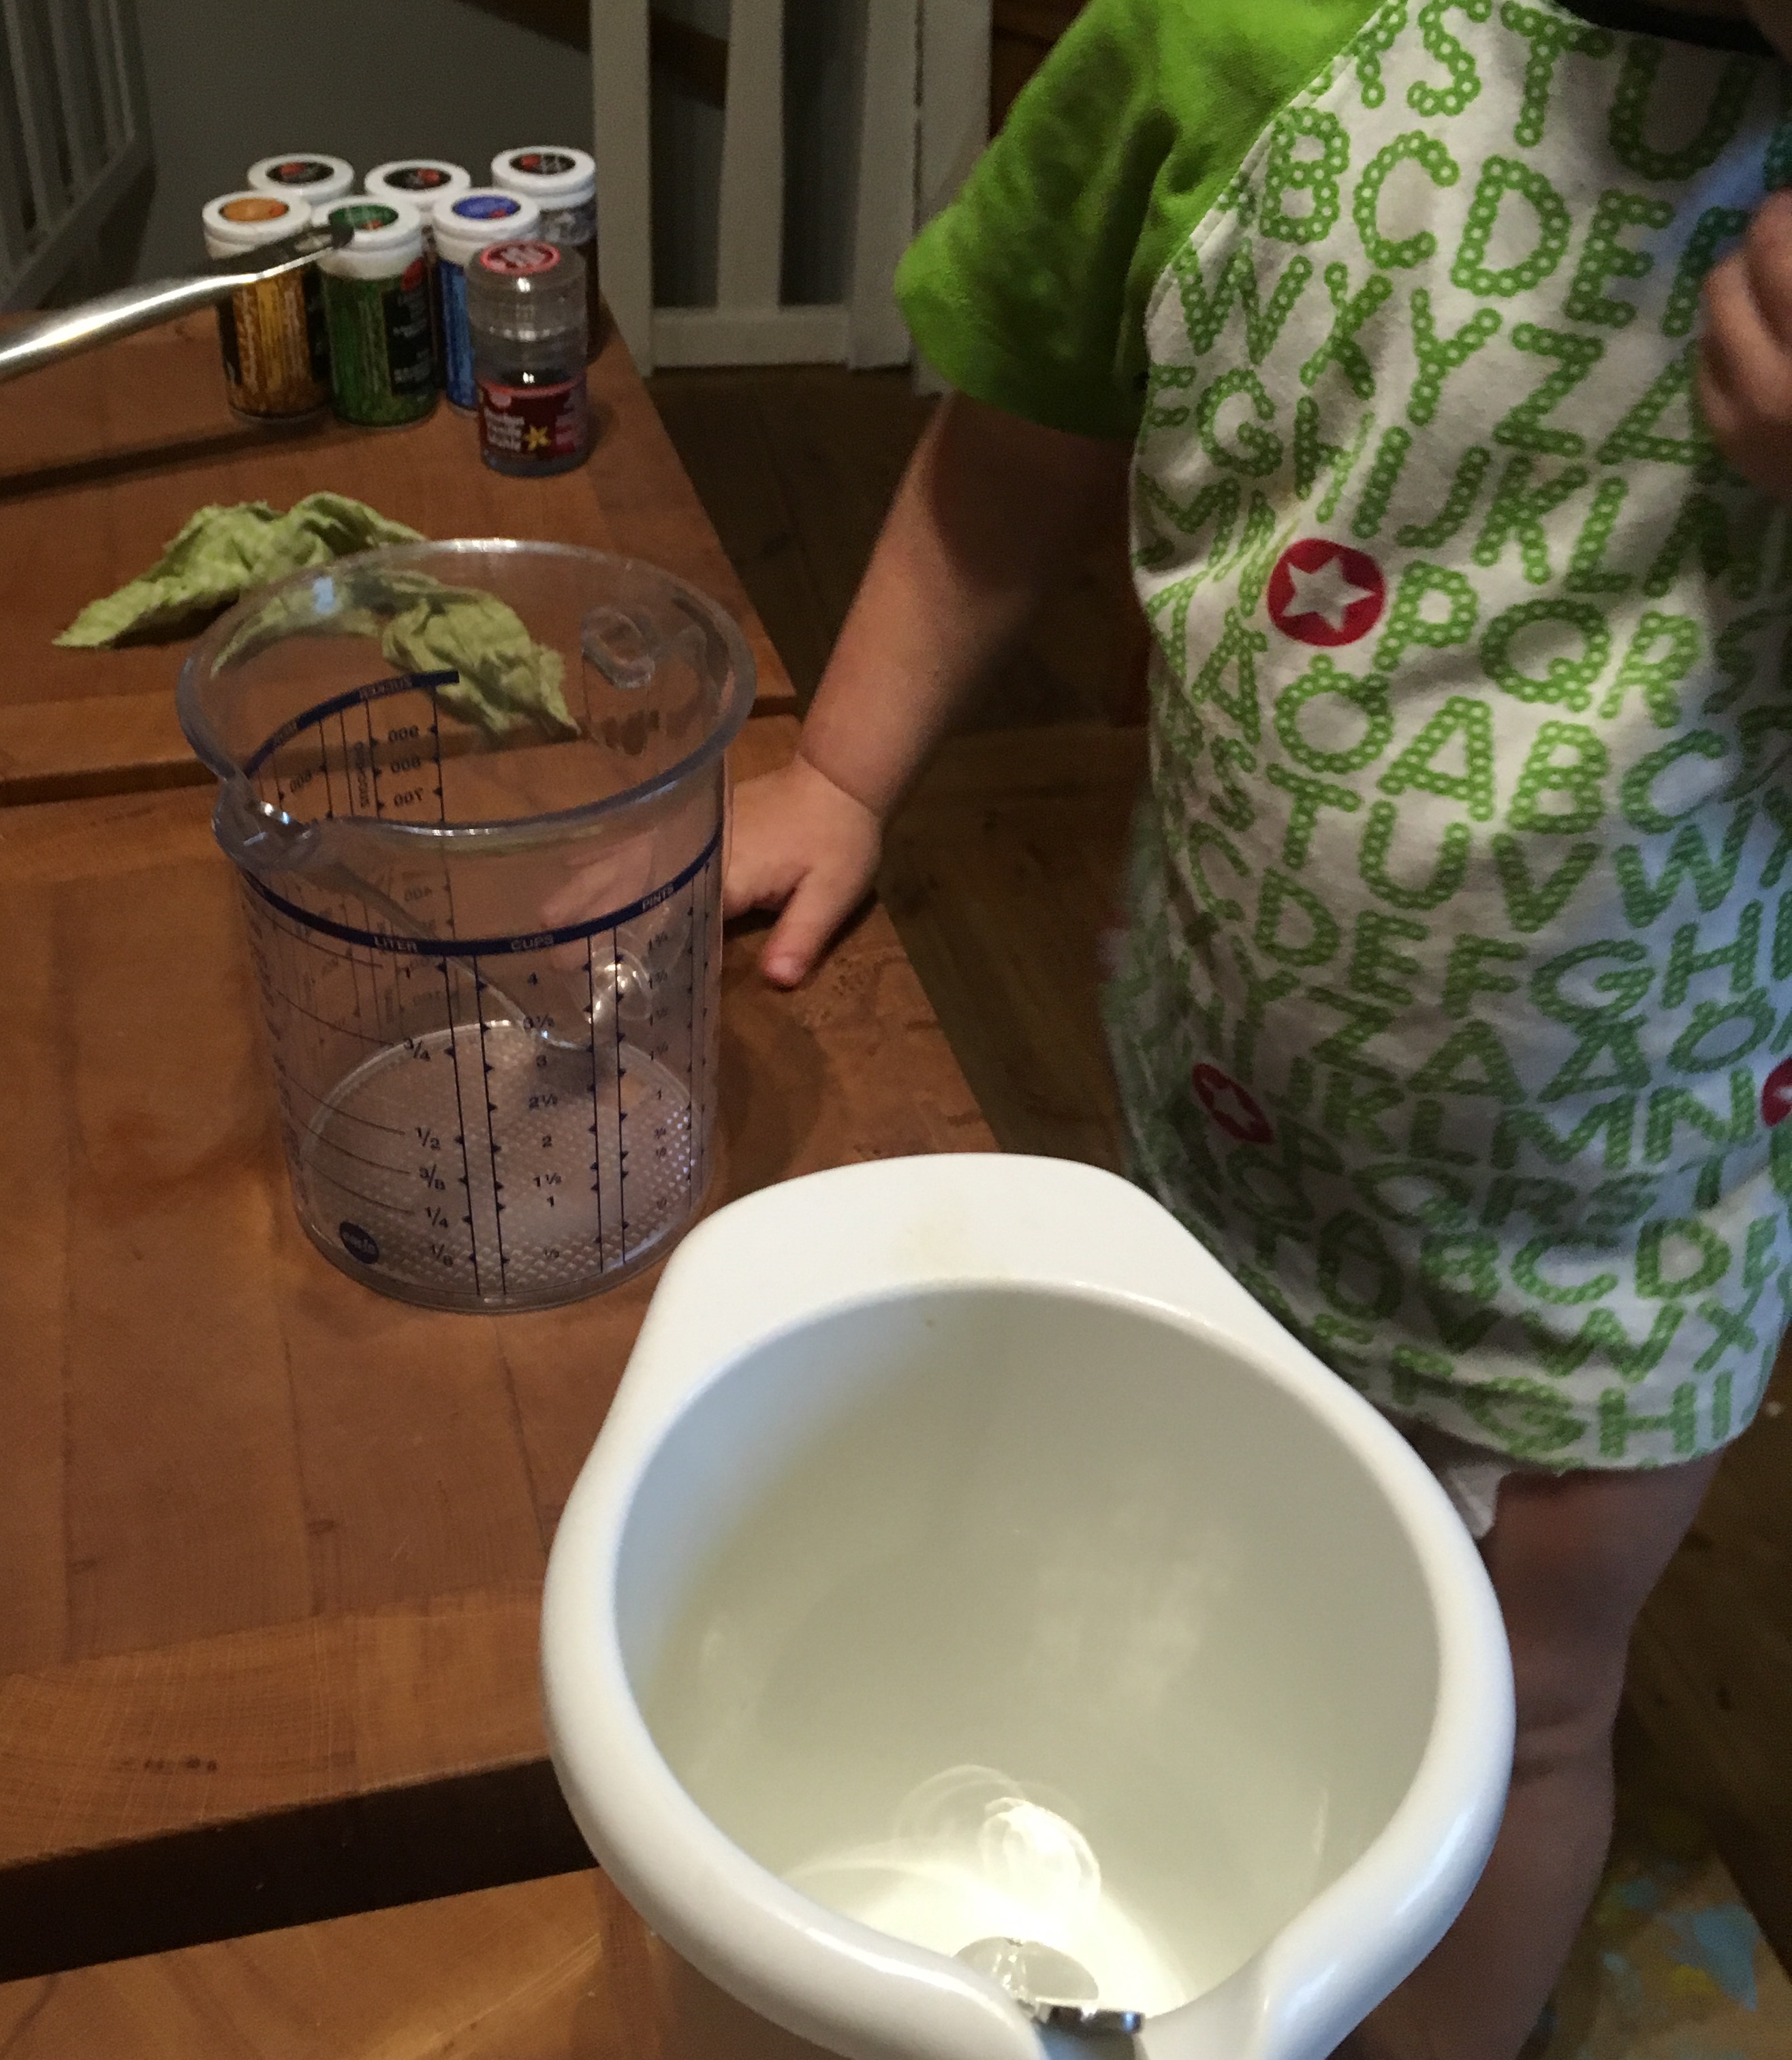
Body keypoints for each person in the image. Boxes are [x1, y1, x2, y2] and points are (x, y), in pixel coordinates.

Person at [727, 2, 1792, 2053]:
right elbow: (1027, 432)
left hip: (1631, 1232)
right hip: (1225, 1142)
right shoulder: (1235, 32)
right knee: (1194, 1607)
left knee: (1522, 1722)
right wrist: (844, 771)